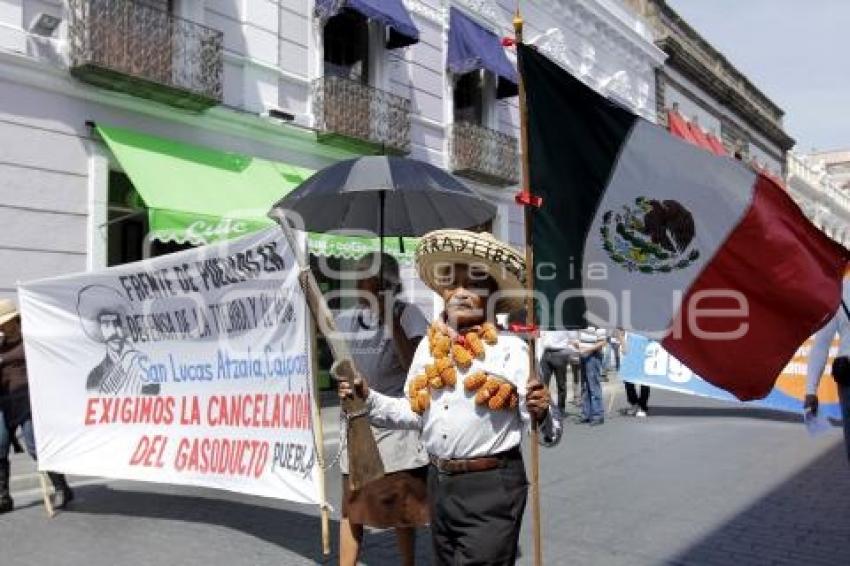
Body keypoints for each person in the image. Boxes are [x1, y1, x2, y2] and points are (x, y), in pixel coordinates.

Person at [339, 230, 561, 565]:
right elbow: (412, 414)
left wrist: (542, 412)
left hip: (491, 488)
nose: (459, 292)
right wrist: (366, 398)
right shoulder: (429, 347)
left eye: (471, 284)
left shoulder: (513, 350)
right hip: (439, 485)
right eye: (451, 284)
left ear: (492, 294)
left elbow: (550, 433)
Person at [334, 253, 430, 566]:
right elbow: (341, 365)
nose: (363, 285)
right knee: (353, 505)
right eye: (360, 279)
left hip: (395, 425)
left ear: (388, 283)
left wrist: (390, 318)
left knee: (400, 505)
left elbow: (414, 366)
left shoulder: (408, 314)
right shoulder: (347, 318)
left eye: (370, 278)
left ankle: (407, 563)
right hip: (357, 422)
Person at [0, 299, 74, 513]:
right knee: (0, 445)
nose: (2, 327)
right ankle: (3, 497)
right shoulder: (1, 345)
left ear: (15, 321)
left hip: (28, 400)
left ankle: (61, 488)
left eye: (5, 323)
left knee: (35, 447)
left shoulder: (30, 341)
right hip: (5, 401)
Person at [76, 285, 156, 396]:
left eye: (118, 323)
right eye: (106, 324)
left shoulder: (143, 365)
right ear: (99, 328)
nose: (115, 331)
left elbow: (153, 398)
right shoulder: (95, 376)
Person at [804, 273, 850, 463]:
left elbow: (821, 344)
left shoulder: (841, 289)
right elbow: (821, 343)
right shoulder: (840, 290)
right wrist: (810, 390)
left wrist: (810, 391)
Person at [573, 327, 608, 426]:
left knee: (594, 387)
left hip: (593, 356)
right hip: (583, 356)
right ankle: (586, 414)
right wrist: (576, 344)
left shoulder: (598, 323)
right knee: (584, 386)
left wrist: (587, 349)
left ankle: (598, 415)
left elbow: (602, 343)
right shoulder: (583, 322)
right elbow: (580, 338)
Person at [538, 330, 579, 413]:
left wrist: (573, 354)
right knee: (543, 383)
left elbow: (574, 339)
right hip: (546, 353)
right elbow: (541, 337)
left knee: (561, 384)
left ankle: (561, 408)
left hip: (560, 353)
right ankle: (543, 407)